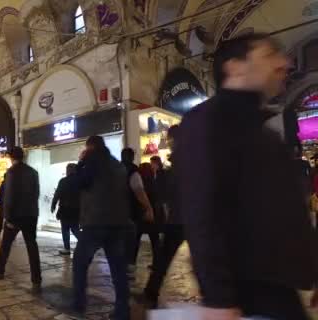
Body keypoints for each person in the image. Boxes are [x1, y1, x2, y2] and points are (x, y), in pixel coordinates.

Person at [177, 33, 318, 319]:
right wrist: (219, 298)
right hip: (248, 297)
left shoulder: (259, 128)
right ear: (235, 66)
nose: (284, 63)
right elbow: (202, 209)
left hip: (277, 289)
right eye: (269, 55)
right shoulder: (208, 122)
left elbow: (285, 210)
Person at [72, 136, 133, 320]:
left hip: (95, 222)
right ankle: (123, 311)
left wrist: (80, 162)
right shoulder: (118, 165)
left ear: (90, 147)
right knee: (118, 269)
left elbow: (77, 183)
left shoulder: (91, 162)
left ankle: (79, 303)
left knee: (80, 263)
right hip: (118, 223)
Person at [139, 126, 185, 309]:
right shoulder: (192, 158)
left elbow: (166, 196)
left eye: (170, 139)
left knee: (163, 260)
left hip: (179, 218)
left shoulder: (177, 164)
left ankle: (151, 292)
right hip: (190, 218)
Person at [0, 147, 42, 293]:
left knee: (6, 245)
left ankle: (0, 270)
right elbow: (36, 193)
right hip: (31, 214)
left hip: (15, 215)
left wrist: (8, 217)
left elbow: (9, 196)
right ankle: (36, 279)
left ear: (11, 157)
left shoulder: (11, 172)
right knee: (32, 246)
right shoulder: (33, 172)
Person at [121, 147, 155, 280]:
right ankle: (128, 265)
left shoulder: (116, 169)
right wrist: (149, 208)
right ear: (132, 157)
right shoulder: (133, 172)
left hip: (117, 211)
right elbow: (139, 191)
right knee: (132, 239)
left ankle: (120, 266)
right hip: (131, 211)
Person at [51, 163, 81, 255]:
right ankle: (85, 243)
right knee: (74, 228)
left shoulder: (63, 181)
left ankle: (67, 248)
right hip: (77, 209)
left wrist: (53, 204)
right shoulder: (79, 181)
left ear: (68, 170)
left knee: (65, 229)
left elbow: (57, 194)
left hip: (65, 209)